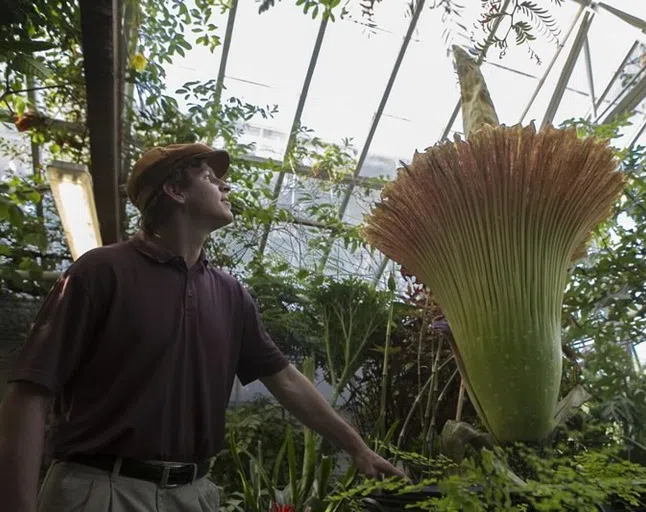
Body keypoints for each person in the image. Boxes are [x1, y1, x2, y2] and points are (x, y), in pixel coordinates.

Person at [0, 143, 404, 512]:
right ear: (175, 192)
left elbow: (286, 381)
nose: (225, 185)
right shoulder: (101, 272)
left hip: (193, 494)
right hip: (102, 491)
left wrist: (357, 448)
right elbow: (29, 392)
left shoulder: (231, 295)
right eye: (210, 178)